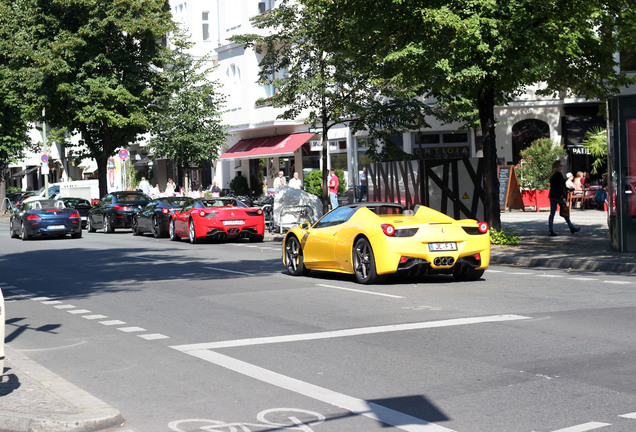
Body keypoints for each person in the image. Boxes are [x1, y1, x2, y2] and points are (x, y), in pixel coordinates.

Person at [548, 160, 580, 236]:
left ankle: (550, 229)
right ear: (557, 166)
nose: (561, 167)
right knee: (565, 212)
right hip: (559, 196)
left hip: (552, 195)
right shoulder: (559, 174)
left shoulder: (552, 174)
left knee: (552, 213)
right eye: (560, 166)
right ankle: (571, 227)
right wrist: (564, 195)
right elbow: (561, 187)